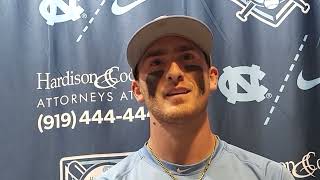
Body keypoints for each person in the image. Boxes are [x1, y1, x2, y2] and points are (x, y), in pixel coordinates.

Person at [96, 15, 294, 180]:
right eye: (156, 63)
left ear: (212, 78)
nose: (174, 72)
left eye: (187, 58)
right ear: (137, 90)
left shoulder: (269, 176)